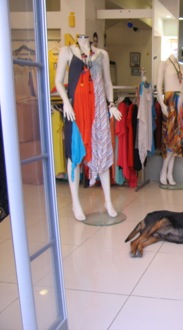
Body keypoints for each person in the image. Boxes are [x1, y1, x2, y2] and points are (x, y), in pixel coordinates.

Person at [55, 35, 122, 221]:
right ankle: (76, 203)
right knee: (75, 155)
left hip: (99, 108)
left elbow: (107, 82)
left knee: (102, 151)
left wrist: (111, 104)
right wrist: (66, 104)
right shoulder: (67, 51)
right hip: (76, 110)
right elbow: (58, 81)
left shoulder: (102, 54)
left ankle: (108, 201)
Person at [156, 52, 183, 186]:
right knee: (171, 138)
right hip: (171, 102)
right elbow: (158, 86)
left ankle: (169, 173)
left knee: (179, 140)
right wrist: (162, 104)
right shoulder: (164, 64)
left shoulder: (181, 67)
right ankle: (164, 171)